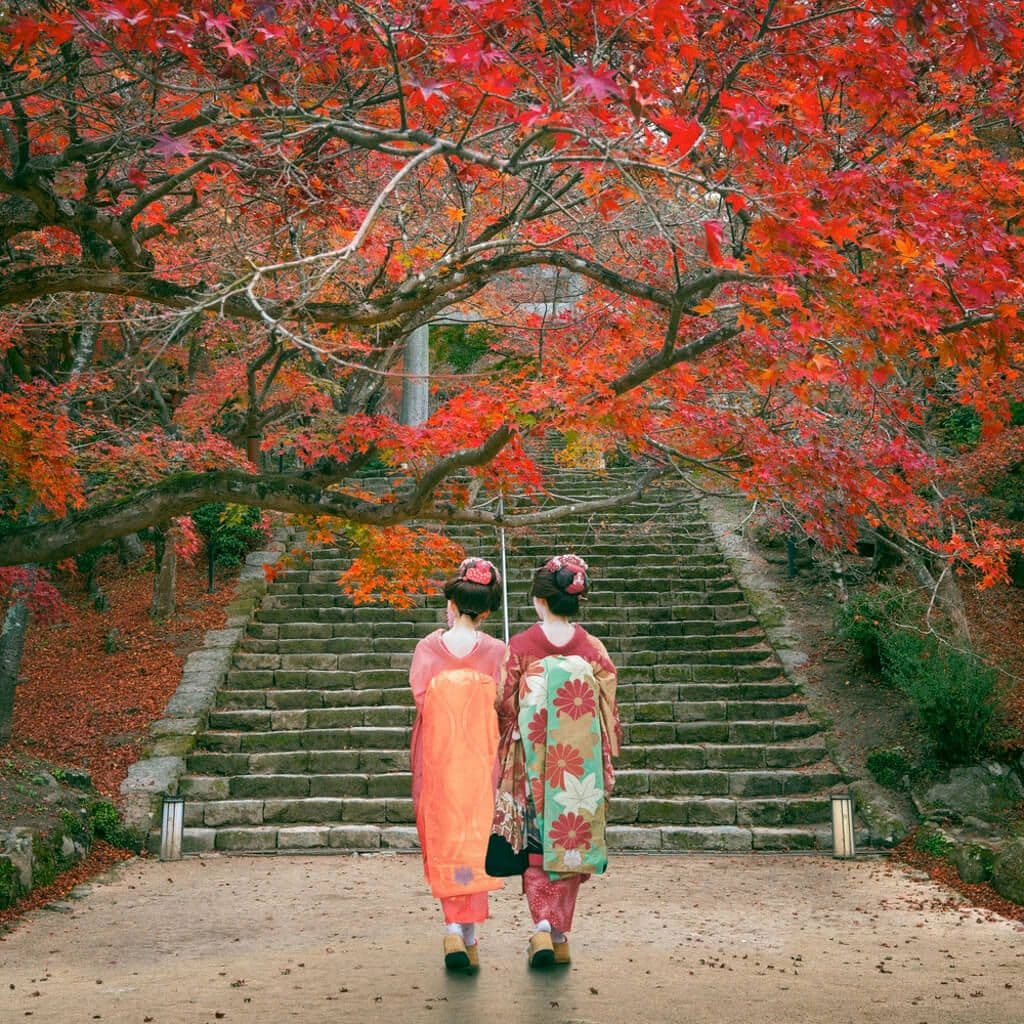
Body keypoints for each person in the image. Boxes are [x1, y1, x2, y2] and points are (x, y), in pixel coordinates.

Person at [494, 553, 621, 968]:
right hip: (580, 766)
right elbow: (607, 706)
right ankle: (559, 933)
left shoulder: (521, 647)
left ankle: (542, 927)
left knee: (537, 845)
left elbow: (503, 703)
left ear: (539, 601)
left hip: (534, 762)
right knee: (572, 841)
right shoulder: (592, 649)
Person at [409, 557, 506, 972]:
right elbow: (506, 706)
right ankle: (468, 935)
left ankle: (454, 928)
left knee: (446, 836)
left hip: (440, 760)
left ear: (451, 604)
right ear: (486, 612)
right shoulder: (497, 652)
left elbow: (421, 699)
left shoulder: (428, 649)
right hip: (481, 763)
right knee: (475, 837)